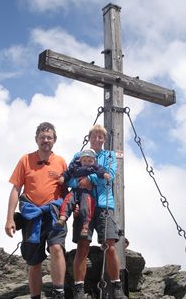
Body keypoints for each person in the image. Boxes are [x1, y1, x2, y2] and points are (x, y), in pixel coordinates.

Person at [5, 122, 68, 299]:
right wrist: (10, 218)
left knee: (56, 247)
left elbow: (66, 190)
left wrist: (72, 206)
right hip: (31, 215)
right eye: (42, 137)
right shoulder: (25, 159)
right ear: (36, 139)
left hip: (54, 214)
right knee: (34, 261)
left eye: (49, 137)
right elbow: (16, 189)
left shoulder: (61, 161)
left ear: (54, 140)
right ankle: (35, 297)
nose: (45, 140)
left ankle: (58, 292)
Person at [71, 124, 128, 299]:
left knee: (110, 246)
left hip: (104, 205)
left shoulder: (110, 156)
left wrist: (88, 178)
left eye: (100, 136)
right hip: (84, 204)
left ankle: (117, 287)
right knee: (82, 246)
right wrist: (80, 183)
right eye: (94, 136)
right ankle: (79, 289)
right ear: (89, 138)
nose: (97, 139)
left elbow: (110, 174)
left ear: (105, 139)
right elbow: (70, 179)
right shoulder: (78, 156)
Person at [57, 148, 110, 237]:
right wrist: (63, 177)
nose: (87, 162)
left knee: (87, 205)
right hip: (75, 190)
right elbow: (68, 173)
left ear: (94, 161)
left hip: (87, 191)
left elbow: (100, 171)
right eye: (84, 160)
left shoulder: (94, 167)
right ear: (80, 160)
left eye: (90, 160)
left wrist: (104, 174)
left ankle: (85, 226)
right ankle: (62, 217)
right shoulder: (75, 166)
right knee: (68, 199)